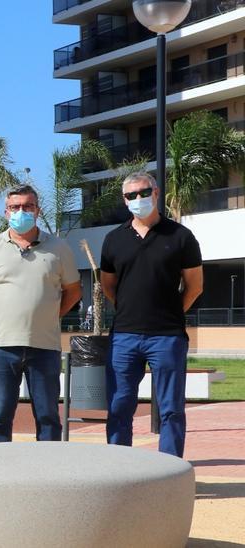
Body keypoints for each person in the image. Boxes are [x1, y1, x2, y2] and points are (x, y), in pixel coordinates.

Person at [101, 172, 203, 457]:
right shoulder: (113, 240)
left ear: (156, 192)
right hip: (124, 336)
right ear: (124, 200)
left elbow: (194, 287)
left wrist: (170, 313)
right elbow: (108, 286)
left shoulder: (181, 236)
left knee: (171, 408)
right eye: (131, 195)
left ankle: (169, 470)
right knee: (119, 405)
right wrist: (130, 310)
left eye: (143, 192)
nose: (138, 199)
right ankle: (120, 468)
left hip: (167, 337)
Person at [0, 185, 82, 443]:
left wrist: (53, 315)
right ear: (6, 212)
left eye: (28, 207)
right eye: (15, 207)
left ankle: (48, 475)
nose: (21, 212)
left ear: (38, 211)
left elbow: (73, 291)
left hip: (44, 347)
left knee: (48, 418)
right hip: (1, 347)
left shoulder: (59, 248)